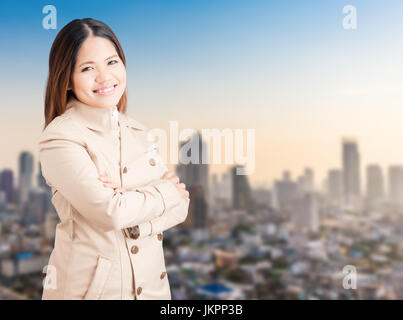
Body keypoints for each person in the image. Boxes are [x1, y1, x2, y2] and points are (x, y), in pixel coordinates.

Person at [39, 18, 190, 300]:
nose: (104, 77)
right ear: (67, 79)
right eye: (87, 68)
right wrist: (164, 192)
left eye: (112, 62)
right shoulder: (61, 138)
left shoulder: (137, 131)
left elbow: (181, 206)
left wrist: (138, 222)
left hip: (154, 293)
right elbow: (112, 212)